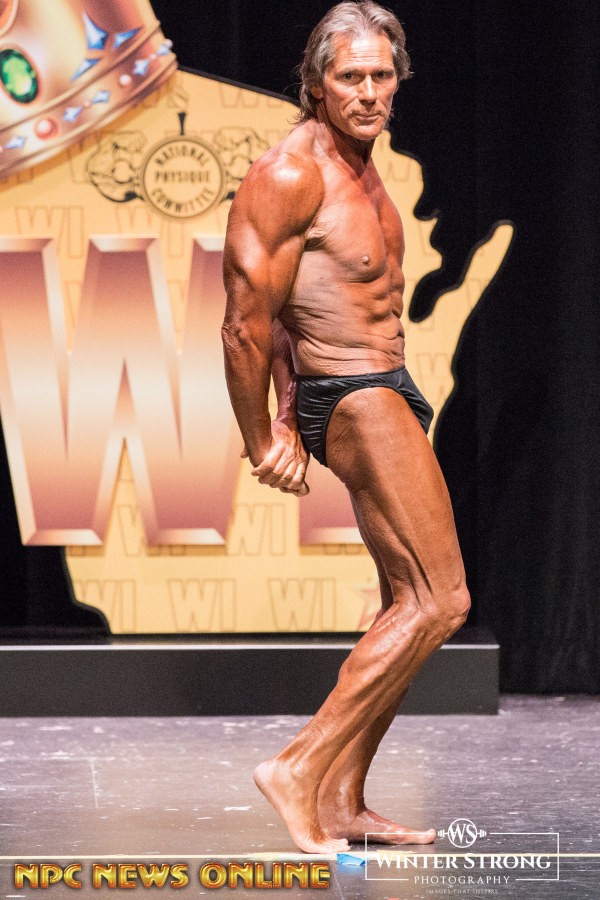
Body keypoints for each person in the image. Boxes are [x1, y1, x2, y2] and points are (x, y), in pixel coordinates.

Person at [221, 0, 470, 854]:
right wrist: (265, 436)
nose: (368, 92)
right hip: (355, 394)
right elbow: (248, 322)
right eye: (349, 76)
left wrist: (292, 400)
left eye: (381, 75)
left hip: (380, 383)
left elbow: (305, 300)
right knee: (442, 599)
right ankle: (298, 768)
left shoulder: (362, 166)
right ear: (317, 83)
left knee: (408, 603)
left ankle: (344, 801)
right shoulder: (291, 174)